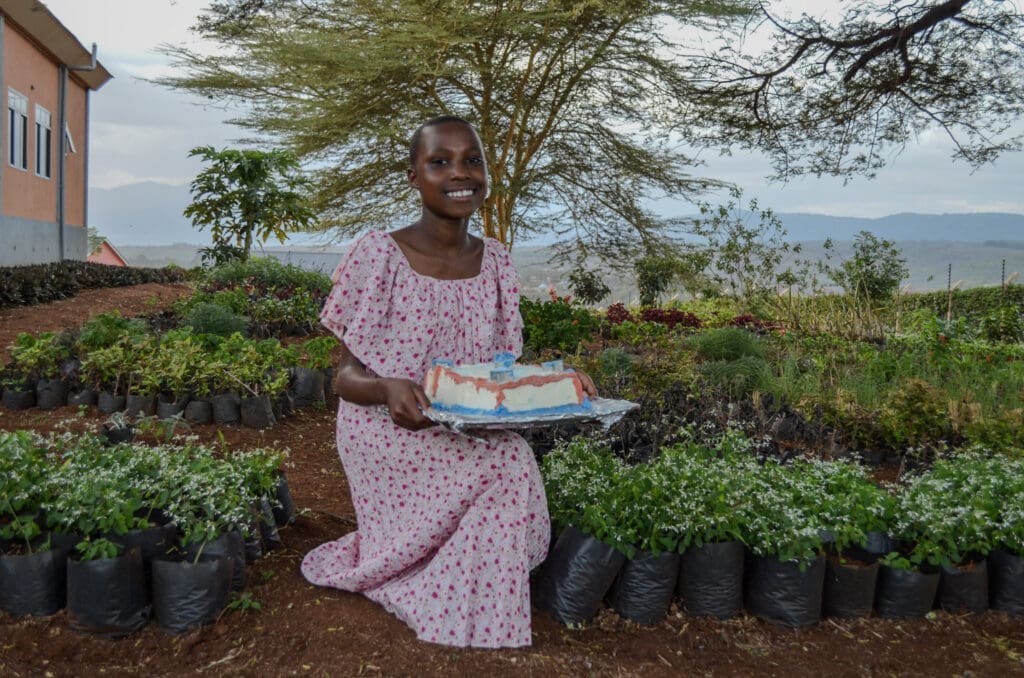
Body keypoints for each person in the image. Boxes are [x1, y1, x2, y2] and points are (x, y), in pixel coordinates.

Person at [300, 115, 597, 648]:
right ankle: (443, 596)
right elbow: (343, 378)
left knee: (509, 458)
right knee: (508, 463)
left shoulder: (497, 263)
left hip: (463, 427)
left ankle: (472, 587)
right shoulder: (379, 255)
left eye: (473, 160)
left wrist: (558, 378)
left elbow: (500, 369)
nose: (461, 173)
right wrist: (388, 387)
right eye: (440, 162)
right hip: (387, 433)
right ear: (413, 175)